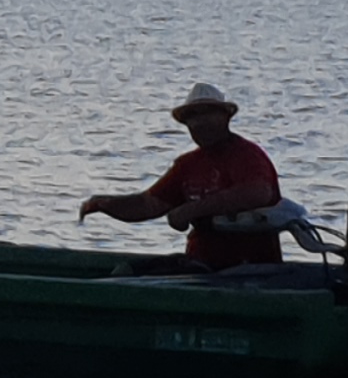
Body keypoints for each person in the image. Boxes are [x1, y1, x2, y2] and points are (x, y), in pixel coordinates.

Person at [76, 83, 284, 273]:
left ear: (226, 117)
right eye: (194, 116)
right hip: (201, 264)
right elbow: (148, 204)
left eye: (209, 113)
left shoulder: (246, 154)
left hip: (249, 269)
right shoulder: (187, 164)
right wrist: (104, 204)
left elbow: (257, 193)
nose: (201, 122)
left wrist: (190, 210)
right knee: (125, 272)